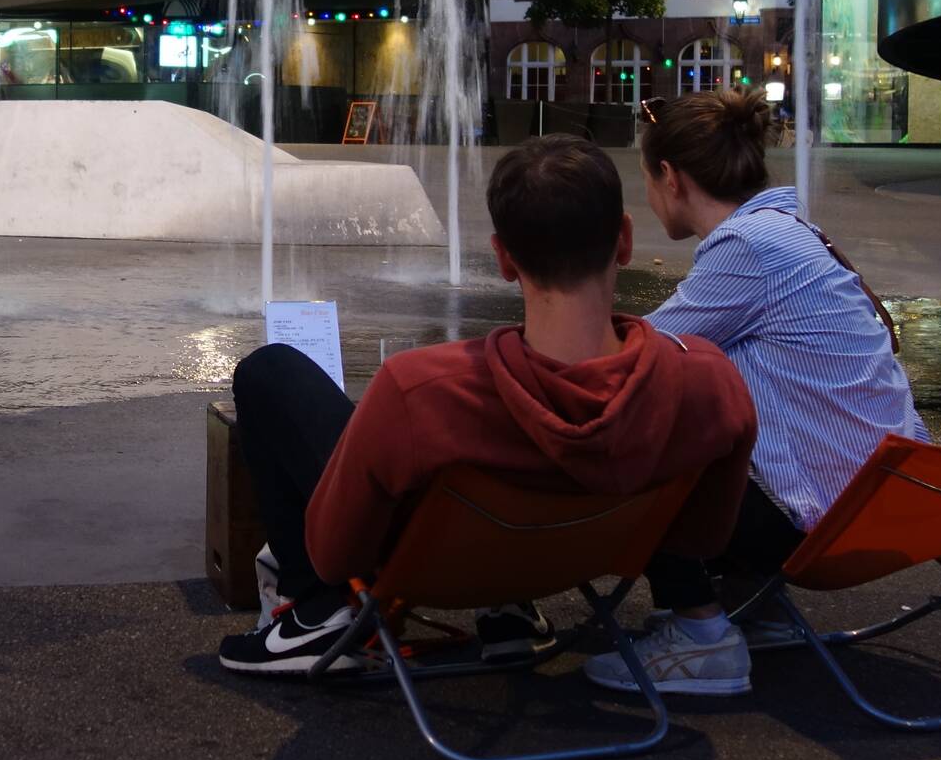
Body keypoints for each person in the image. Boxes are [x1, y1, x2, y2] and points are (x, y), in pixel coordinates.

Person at [218, 135, 758, 675]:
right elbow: (703, 538)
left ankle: (315, 617)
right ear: (623, 241)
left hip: (436, 570)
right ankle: (511, 612)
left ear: (502, 258)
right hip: (576, 557)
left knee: (272, 370)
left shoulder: (422, 388)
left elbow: (336, 553)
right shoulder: (706, 379)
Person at [586, 89, 930, 698]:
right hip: (891, 496)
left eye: (646, 177)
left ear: (670, 176)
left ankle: (700, 637)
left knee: (641, 430)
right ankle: (753, 602)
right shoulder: (792, 233)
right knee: (709, 398)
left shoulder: (747, 248)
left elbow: (630, 360)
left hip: (824, 517)